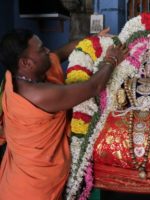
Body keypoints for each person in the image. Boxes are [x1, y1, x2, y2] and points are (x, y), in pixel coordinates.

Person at [0, 28, 128, 200]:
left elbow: (62, 52)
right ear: (26, 63)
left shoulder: (17, 77)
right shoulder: (40, 94)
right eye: (41, 49)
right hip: (33, 190)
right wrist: (112, 59)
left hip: (15, 179)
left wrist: (94, 41)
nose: (47, 51)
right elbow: (93, 87)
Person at [92, 34, 150, 194]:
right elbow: (121, 102)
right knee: (113, 128)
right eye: (147, 65)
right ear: (142, 66)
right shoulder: (130, 81)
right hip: (129, 114)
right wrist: (121, 97)